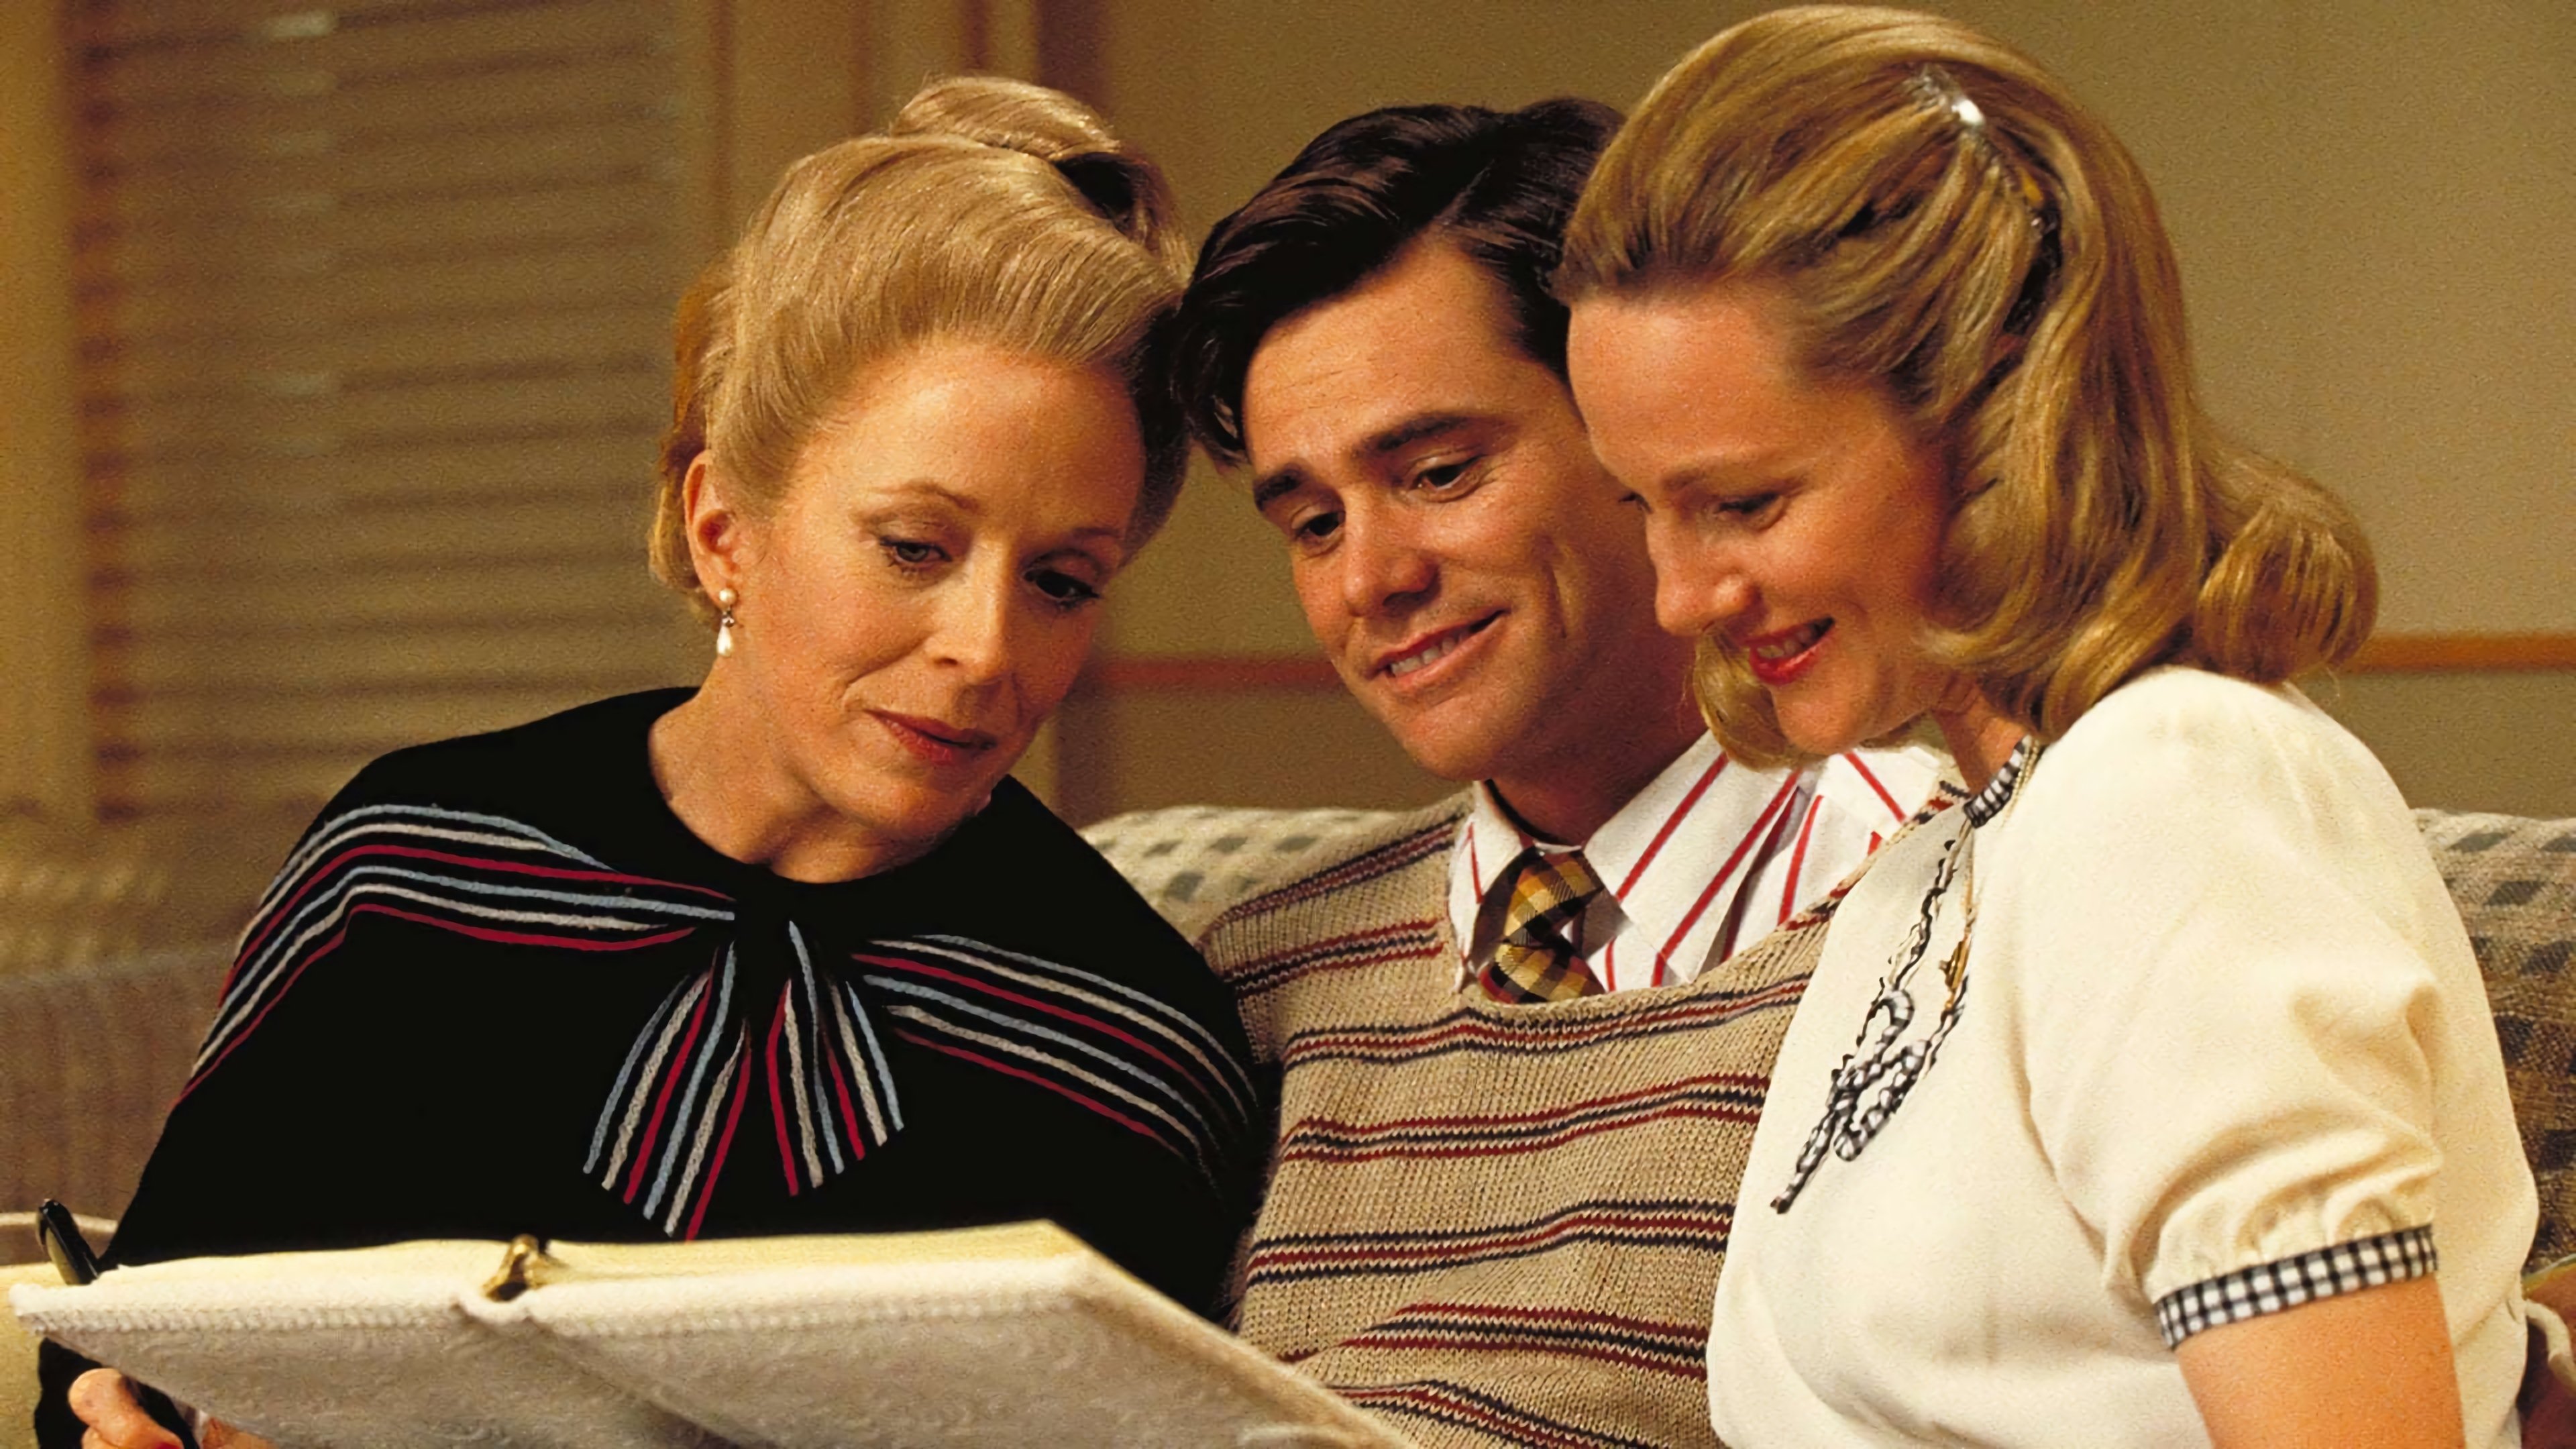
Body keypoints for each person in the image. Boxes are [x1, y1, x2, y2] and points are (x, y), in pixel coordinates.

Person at [46, 77, 1261, 1449]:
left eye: (1061, 581)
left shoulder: (1131, 1046)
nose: (987, 650)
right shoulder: (405, 867)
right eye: (915, 548)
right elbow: (128, 1346)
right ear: (722, 528)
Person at [1555, 7, 2537, 1444]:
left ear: (2004, 404)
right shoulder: (1930, 869)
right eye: (1644, 506)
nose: (1679, 596)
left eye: (1745, 503)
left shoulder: (2174, 793)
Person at [1164, 101, 1939, 1445]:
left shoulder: (1943, 903)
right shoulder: (1264, 981)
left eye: (1438, 472)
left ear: (1640, 431)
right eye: (1313, 522)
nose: (1371, 579)